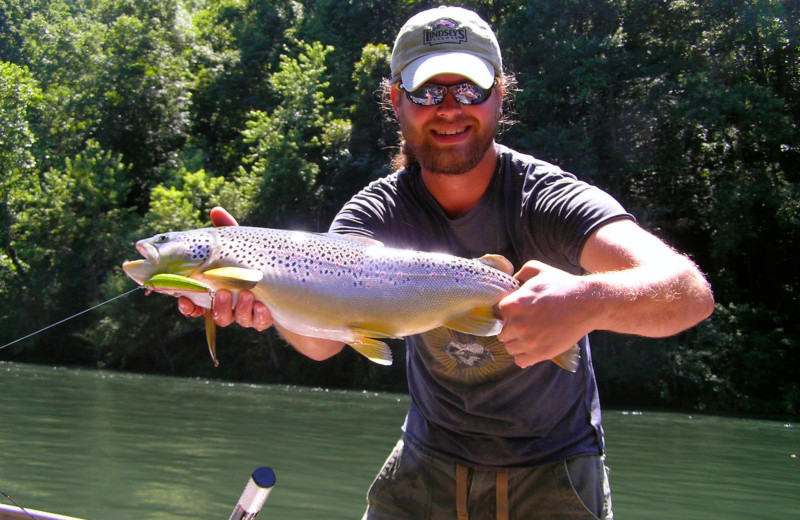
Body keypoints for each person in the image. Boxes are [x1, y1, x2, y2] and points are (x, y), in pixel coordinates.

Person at [181, 6, 714, 519]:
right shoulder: (374, 213)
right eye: (428, 91)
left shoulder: (546, 198)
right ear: (397, 99)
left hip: (555, 474)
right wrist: (268, 296)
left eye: (469, 89)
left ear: (500, 94)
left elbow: (689, 294)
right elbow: (322, 340)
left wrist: (586, 300)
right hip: (425, 467)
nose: (449, 107)